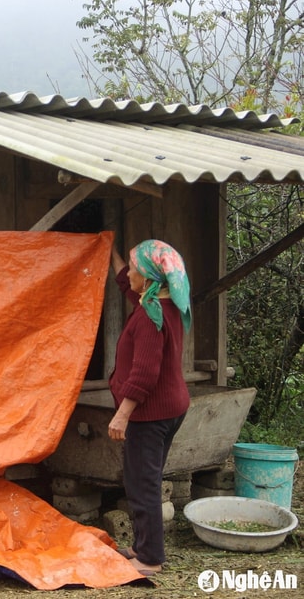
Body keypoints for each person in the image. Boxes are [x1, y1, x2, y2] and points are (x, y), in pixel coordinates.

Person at [107, 239, 192, 576]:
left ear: (150, 277)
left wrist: (122, 415)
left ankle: (151, 558)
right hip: (171, 407)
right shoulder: (162, 303)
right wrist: (110, 254)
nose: (129, 274)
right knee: (146, 478)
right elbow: (125, 284)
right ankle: (142, 546)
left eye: (135, 269)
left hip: (150, 413)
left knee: (143, 485)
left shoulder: (149, 318)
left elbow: (144, 375)